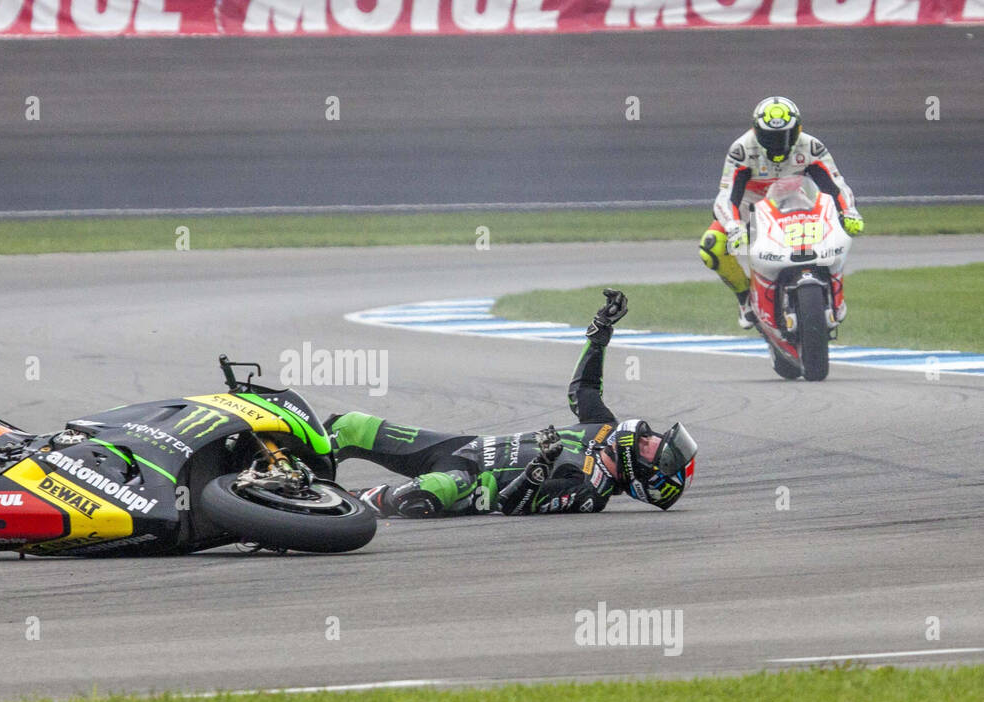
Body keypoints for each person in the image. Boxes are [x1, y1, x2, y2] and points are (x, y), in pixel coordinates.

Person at [326, 290, 697, 518]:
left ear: (644, 474)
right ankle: (283, 469)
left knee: (429, 491)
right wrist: (600, 333)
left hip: (469, 484)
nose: (649, 435)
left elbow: (513, 505)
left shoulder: (589, 491)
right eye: (654, 437)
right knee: (349, 425)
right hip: (463, 446)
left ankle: (333, 506)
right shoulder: (603, 429)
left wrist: (540, 466)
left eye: (652, 447)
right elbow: (582, 389)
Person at [699, 96, 864, 328]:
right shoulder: (742, 150)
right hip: (751, 210)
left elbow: (836, 185)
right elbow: (726, 197)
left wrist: (849, 212)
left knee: (838, 226)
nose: (777, 143)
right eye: (769, 136)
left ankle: (834, 295)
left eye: (784, 136)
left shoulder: (812, 146)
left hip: (795, 203)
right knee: (711, 247)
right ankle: (745, 298)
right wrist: (734, 226)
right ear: (756, 131)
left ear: (798, 129)